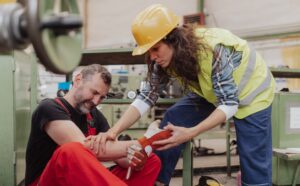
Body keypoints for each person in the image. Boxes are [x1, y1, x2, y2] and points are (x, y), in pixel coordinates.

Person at [93, 4, 275, 186]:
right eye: (149, 51)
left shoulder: (213, 49)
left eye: (155, 48)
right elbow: (146, 97)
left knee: (253, 164)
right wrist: (113, 131)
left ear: (172, 40)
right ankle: (157, 181)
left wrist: (190, 133)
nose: (153, 56)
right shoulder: (163, 59)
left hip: (253, 94)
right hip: (212, 92)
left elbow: (229, 104)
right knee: (174, 118)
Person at [25, 64, 171, 186]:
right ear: (78, 80)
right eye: (94, 92)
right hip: (48, 182)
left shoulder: (94, 115)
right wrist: (145, 141)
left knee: (151, 161)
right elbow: (88, 148)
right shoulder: (49, 108)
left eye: (101, 97)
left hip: (76, 181)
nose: (96, 101)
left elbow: (121, 158)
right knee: (71, 150)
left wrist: (136, 157)